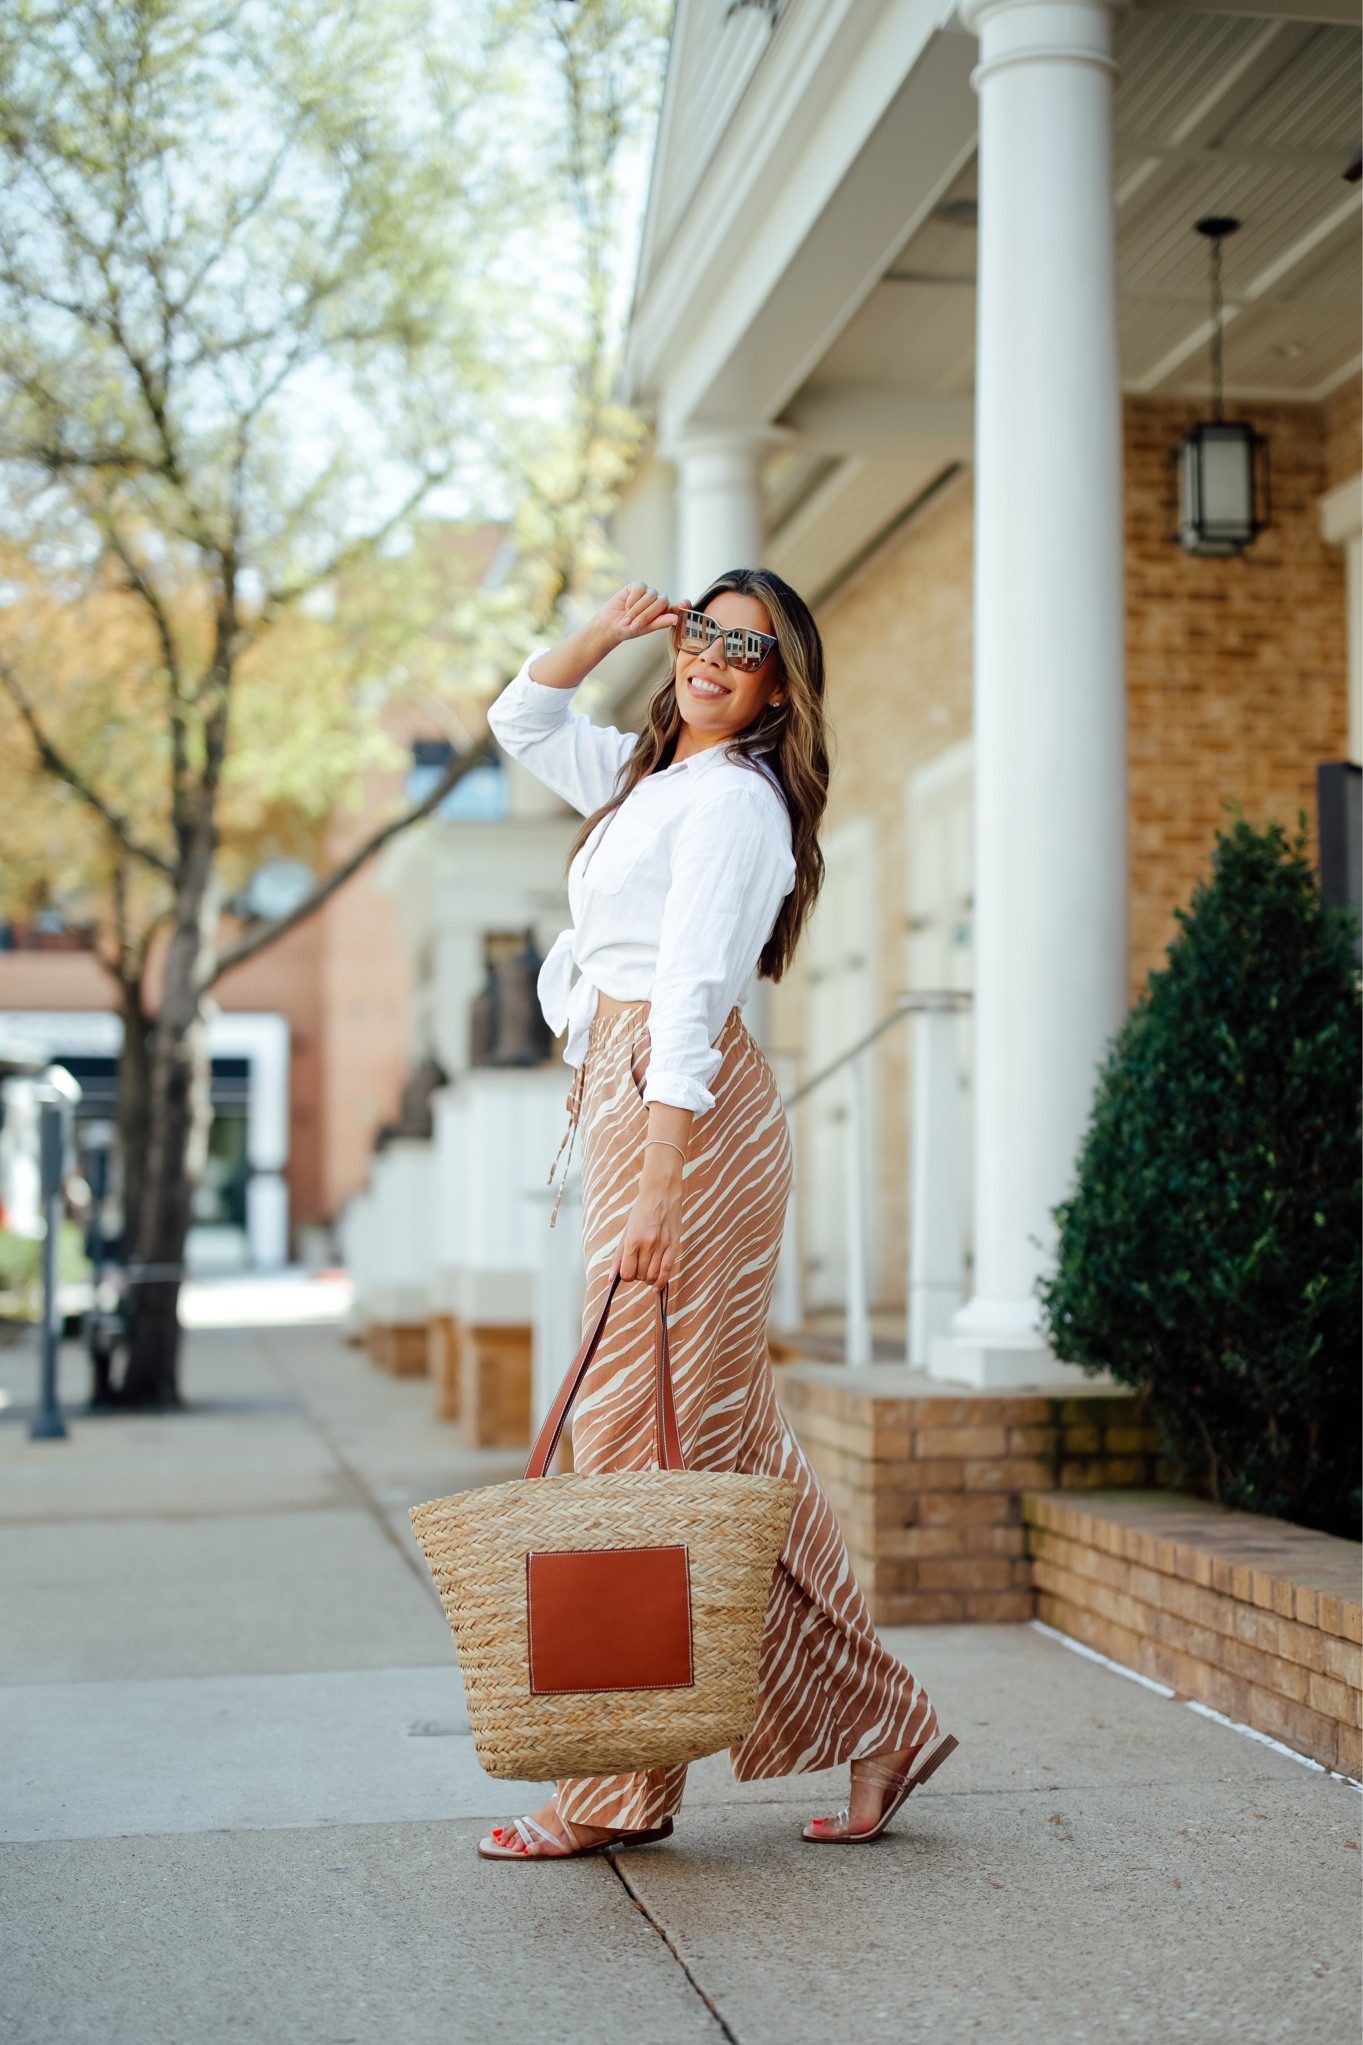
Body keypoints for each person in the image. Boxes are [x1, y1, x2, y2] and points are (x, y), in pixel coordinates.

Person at [478, 572, 956, 1860]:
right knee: (727, 1451)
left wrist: (656, 1189)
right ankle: (881, 1716)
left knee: (630, 1443)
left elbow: (691, 998)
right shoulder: (651, 781)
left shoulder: (737, 804)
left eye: (747, 648)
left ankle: (616, 1787)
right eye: (704, 631)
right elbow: (520, 720)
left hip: (683, 1124)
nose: (714, 658)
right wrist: (605, 632)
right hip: (637, 1107)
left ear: (778, 685)